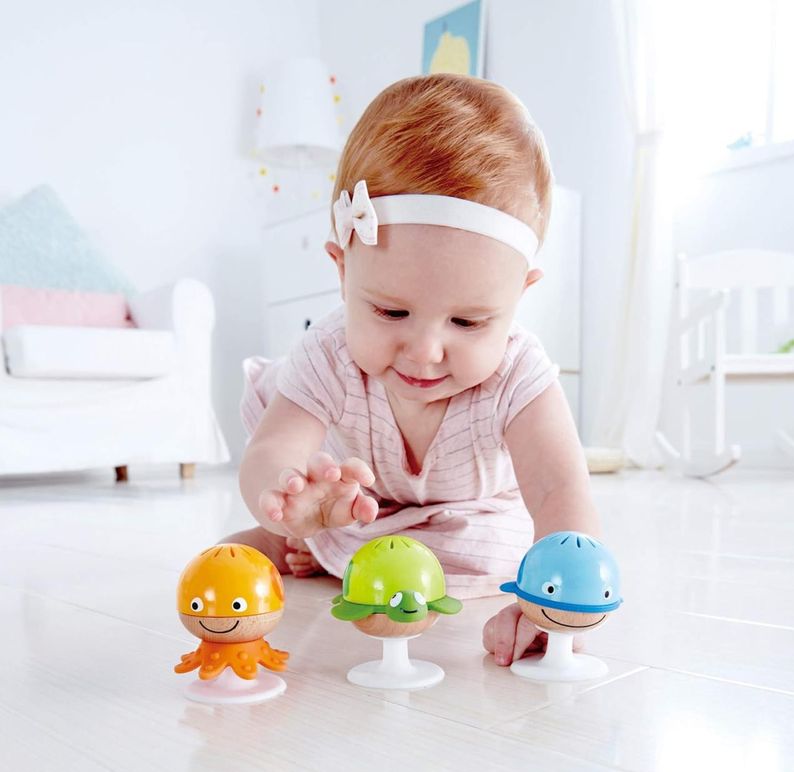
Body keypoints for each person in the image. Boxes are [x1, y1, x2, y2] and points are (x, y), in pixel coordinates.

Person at [227, 73, 600, 666]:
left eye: (470, 322)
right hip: (359, 508)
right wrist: (287, 498)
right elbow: (272, 449)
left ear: (519, 295)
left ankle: (332, 555)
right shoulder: (328, 352)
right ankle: (298, 539)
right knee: (324, 519)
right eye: (391, 311)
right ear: (343, 270)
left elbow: (561, 491)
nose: (425, 351)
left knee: (484, 552)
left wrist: (556, 601)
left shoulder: (519, 374)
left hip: (466, 516)